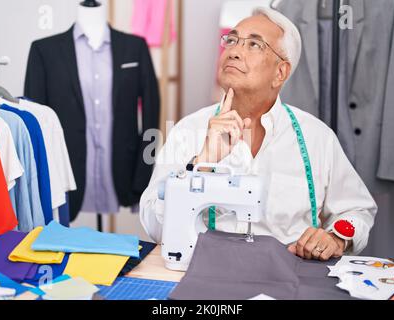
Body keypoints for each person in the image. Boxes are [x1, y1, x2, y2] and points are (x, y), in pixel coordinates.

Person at [140, 7, 377, 261]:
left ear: (280, 73)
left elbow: (357, 210)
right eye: (231, 40)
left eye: (254, 44)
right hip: (208, 275)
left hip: (290, 282)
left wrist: (336, 236)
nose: (233, 51)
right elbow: (154, 225)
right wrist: (202, 164)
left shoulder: (317, 137)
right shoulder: (189, 131)